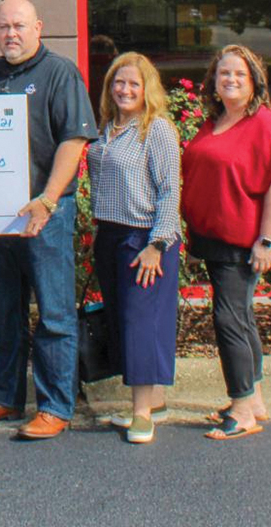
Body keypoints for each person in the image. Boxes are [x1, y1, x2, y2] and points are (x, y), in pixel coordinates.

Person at [0, 0, 99, 440]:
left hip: (45, 213)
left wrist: (48, 200)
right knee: (3, 313)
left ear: (39, 27)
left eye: (19, 26)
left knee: (54, 314)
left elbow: (74, 142)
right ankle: (5, 396)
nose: (10, 34)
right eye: (3, 27)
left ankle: (55, 406)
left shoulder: (59, 73)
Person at [181, 44, 271, 441]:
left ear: (254, 81)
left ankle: (242, 409)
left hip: (241, 242)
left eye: (239, 74)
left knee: (228, 320)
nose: (230, 79)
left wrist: (266, 239)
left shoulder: (265, 124)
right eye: (224, 73)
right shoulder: (214, 122)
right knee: (240, 316)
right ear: (213, 81)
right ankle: (253, 399)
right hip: (212, 239)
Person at [88, 52, 181, 445]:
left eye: (133, 84)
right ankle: (151, 403)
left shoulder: (155, 129)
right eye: (118, 82)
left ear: (147, 90)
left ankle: (142, 415)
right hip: (110, 236)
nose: (124, 90)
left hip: (144, 239)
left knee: (141, 324)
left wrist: (157, 244)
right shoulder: (108, 128)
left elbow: (170, 190)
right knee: (122, 322)